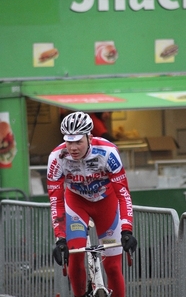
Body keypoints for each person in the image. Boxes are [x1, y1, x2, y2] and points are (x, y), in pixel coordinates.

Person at [47, 111, 137, 297]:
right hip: (76, 203)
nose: (73, 147)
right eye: (69, 141)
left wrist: (127, 230)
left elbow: (123, 194)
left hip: (106, 203)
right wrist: (60, 238)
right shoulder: (57, 157)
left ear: (90, 136)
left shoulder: (107, 151)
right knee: (75, 255)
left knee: (112, 266)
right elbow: (56, 201)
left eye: (78, 141)